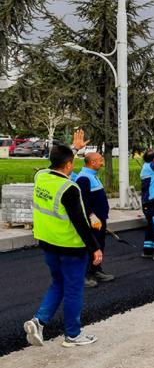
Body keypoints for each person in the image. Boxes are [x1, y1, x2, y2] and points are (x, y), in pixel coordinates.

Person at [23, 144, 103, 348]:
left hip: (48, 244)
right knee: (73, 290)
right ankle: (73, 335)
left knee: (58, 283)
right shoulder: (69, 189)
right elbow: (80, 223)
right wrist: (95, 247)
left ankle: (38, 321)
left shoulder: (41, 176)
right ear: (68, 165)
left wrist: (74, 149)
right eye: (72, 163)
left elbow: (56, 164)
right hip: (71, 248)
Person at [76, 152, 114, 286]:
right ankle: (85, 275)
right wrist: (91, 215)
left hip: (100, 220)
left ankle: (96, 270)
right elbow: (83, 200)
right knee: (91, 246)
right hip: (93, 221)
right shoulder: (83, 178)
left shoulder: (92, 176)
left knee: (99, 245)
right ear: (92, 162)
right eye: (100, 161)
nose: (102, 163)